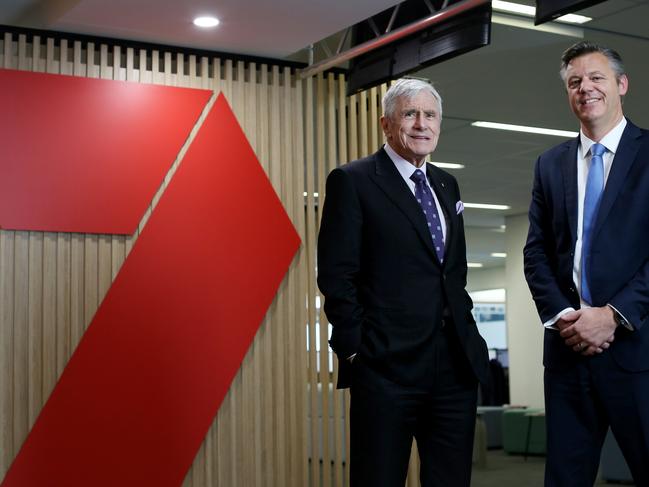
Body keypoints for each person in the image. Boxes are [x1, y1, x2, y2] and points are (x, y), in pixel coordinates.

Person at [317, 78, 488, 487]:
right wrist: (356, 351)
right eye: (409, 113)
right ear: (386, 124)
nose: (421, 124)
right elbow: (337, 275)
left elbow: (454, 273)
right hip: (386, 367)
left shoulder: (447, 185)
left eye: (430, 115)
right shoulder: (354, 180)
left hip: (453, 367)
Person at [524, 41, 649, 486]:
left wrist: (613, 316)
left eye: (596, 78)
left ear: (622, 85)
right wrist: (565, 318)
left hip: (638, 354)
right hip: (568, 352)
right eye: (575, 82)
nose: (586, 88)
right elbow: (536, 253)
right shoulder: (549, 164)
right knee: (564, 478)